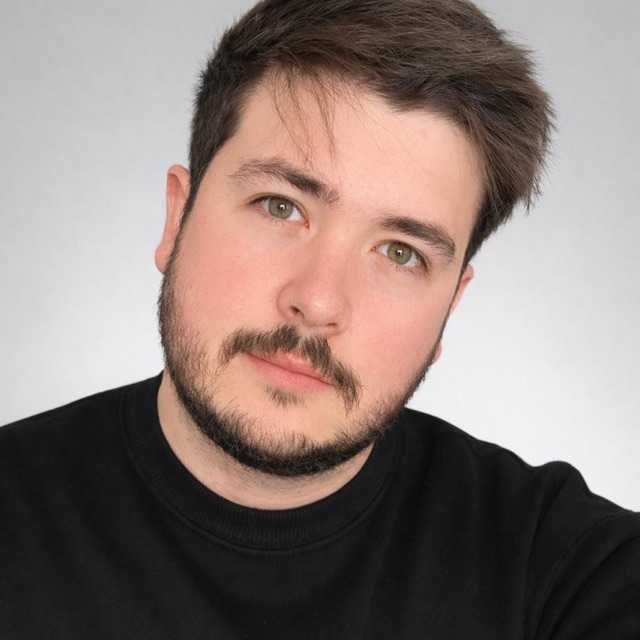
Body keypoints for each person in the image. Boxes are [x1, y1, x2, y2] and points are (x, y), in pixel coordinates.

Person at [1, 0, 638, 637]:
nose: (318, 302)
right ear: (177, 219)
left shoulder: (570, 570)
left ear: (450, 305)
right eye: (280, 206)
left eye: (400, 253)